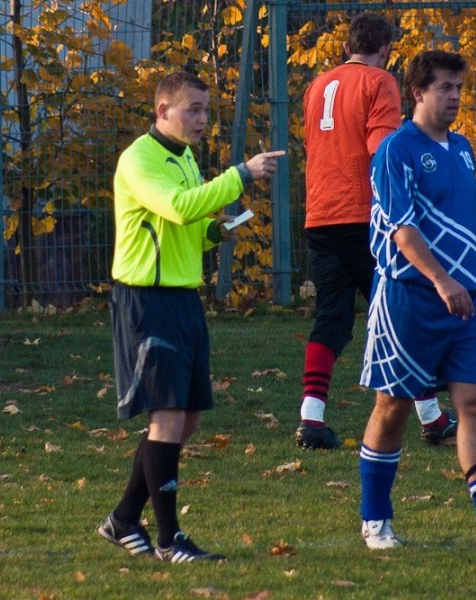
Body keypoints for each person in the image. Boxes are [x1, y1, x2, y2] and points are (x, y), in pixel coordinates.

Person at [97, 71, 284, 562]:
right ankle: (169, 539)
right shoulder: (139, 159)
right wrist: (241, 174)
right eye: (193, 110)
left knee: (189, 416)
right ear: (162, 111)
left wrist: (217, 234)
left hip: (183, 299)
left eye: (205, 109)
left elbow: (188, 229)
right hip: (146, 300)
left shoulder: (186, 158)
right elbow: (178, 209)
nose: (203, 119)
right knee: (169, 415)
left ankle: (121, 520)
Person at [357, 50, 476, 552]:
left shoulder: (463, 148)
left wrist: (468, 283)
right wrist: (441, 280)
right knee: (392, 408)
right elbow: (401, 229)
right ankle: (375, 521)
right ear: (418, 93)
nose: (454, 95)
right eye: (444, 87)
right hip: (411, 298)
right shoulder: (396, 150)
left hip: (468, 300)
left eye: (458, 86)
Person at [296, 12, 456, 450]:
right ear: (385, 49)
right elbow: (381, 151)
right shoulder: (379, 82)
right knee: (402, 312)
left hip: (320, 213)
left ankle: (311, 416)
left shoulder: (316, 86)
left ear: (347, 47)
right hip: (364, 215)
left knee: (332, 316)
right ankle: (431, 417)